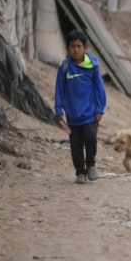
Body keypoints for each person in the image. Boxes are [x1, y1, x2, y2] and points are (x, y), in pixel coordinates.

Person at [54, 29, 107, 184]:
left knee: (90, 138)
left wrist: (99, 109)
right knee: (76, 144)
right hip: (71, 115)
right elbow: (59, 89)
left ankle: (91, 164)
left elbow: (99, 88)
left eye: (78, 46)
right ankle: (80, 173)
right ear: (68, 48)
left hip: (90, 113)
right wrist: (58, 110)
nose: (75, 49)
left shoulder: (92, 66)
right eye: (72, 46)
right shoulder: (64, 67)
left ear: (85, 48)